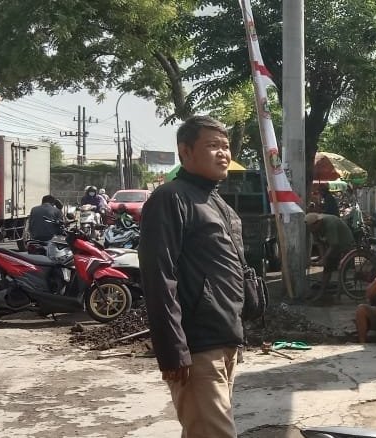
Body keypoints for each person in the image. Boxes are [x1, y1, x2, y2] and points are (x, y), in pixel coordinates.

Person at [139, 115, 245, 437]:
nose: (223, 153)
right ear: (185, 151)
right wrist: (173, 348)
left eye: (225, 146)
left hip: (225, 338)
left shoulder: (217, 202)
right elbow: (159, 276)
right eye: (212, 146)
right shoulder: (170, 198)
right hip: (197, 345)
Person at [305, 212, 354, 300]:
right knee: (327, 267)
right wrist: (323, 258)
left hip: (344, 243)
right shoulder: (313, 227)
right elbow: (319, 243)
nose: (311, 230)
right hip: (332, 243)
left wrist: (324, 258)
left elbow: (333, 245)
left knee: (341, 268)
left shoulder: (330, 224)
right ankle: (321, 293)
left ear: (317, 223)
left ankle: (338, 296)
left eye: (312, 228)